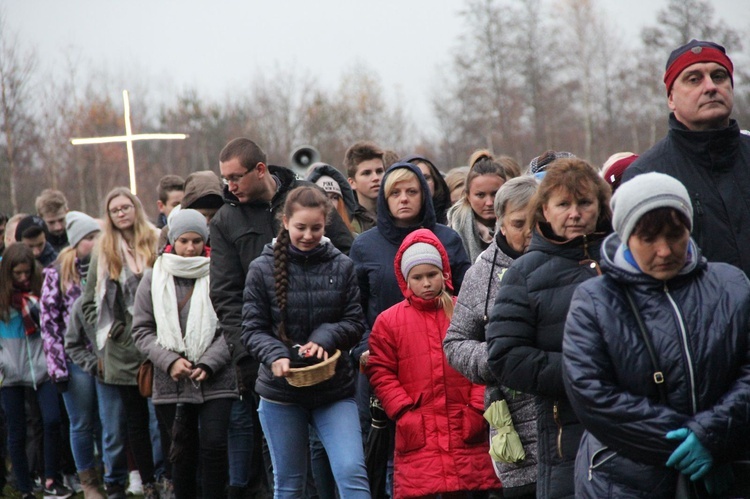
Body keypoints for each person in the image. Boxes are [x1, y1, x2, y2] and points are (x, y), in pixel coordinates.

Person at [563, 172, 750, 498]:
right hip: (624, 481)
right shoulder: (595, 301)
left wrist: (713, 435)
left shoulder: (730, 285)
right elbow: (591, 392)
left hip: (726, 471)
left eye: (674, 235)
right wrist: (681, 440)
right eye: (649, 239)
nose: (665, 251)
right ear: (625, 237)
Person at [210, 137, 353, 497]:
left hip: (327, 358)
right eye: (224, 178)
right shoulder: (227, 218)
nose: (229, 186)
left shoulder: (308, 198)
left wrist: (334, 336)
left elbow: (348, 261)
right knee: (286, 474)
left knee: (340, 463)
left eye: (235, 177)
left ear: (260, 170)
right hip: (267, 359)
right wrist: (247, 355)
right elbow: (226, 294)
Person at [486, 158, 612, 499]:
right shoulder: (524, 274)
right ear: (544, 210)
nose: (575, 214)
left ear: (600, 205)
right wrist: (582, 372)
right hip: (566, 434)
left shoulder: (627, 260)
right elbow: (505, 355)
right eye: (563, 204)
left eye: (585, 203)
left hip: (637, 424)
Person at [241, 186, 370, 498]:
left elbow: (354, 322)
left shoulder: (342, 265)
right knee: (289, 483)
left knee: (352, 471)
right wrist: (275, 355)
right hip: (281, 392)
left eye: (316, 227)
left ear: (326, 224)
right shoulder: (261, 269)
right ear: (285, 222)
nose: (309, 235)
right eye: (301, 227)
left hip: (333, 388)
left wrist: (325, 337)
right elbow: (251, 329)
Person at [366, 229, 499, 498]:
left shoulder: (463, 311)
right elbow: (381, 371)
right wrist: (403, 411)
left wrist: (476, 408)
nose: (426, 283)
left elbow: (482, 359)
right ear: (405, 280)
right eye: (417, 277)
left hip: (466, 424)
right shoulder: (389, 322)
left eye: (432, 275)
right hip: (419, 428)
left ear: (444, 274)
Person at [443, 176, 539, 498]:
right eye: (518, 222)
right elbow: (455, 342)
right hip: (513, 423)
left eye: (537, 221)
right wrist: (500, 357)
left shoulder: (566, 261)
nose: (529, 231)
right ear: (499, 222)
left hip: (568, 417)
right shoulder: (481, 274)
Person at [621, 40, 750, 277]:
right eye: (694, 79)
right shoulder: (647, 176)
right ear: (671, 98)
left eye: (719, 76)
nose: (710, 86)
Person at [133, 209, 238, 499]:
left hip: (216, 377)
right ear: (172, 241)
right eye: (183, 241)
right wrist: (170, 361)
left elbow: (231, 326)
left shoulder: (220, 273)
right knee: (181, 449)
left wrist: (209, 362)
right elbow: (142, 330)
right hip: (172, 379)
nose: (190, 248)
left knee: (215, 445)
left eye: (196, 241)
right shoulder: (152, 278)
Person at [81, 187, 160, 499]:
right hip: (122, 350)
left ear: (136, 208)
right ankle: (148, 482)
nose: (122, 213)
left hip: (157, 344)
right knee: (135, 423)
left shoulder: (155, 238)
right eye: (115, 210)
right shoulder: (103, 250)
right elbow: (88, 303)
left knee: (161, 421)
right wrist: (107, 334)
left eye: (126, 206)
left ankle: (166, 475)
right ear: (109, 216)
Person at [0, 243, 74, 499]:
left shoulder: (41, 295)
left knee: (52, 420)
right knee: (17, 431)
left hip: (42, 370)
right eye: (17, 274)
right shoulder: (3, 302)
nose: (22, 279)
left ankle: (52, 478)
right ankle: (24, 486)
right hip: (10, 374)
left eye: (26, 273)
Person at [40, 211, 103, 499]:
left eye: (97, 236)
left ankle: (109, 475)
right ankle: (88, 481)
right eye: (90, 238)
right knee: (81, 423)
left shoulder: (106, 267)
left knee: (107, 422)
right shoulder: (57, 272)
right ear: (77, 241)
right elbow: (49, 323)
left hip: (104, 356)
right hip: (73, 359)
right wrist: (57, 369)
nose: (96, 242)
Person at [447, 150, 508, 263]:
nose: (489, 202)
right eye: (480, 195)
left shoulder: (522, 225)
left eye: (495, 194)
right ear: (468, 196)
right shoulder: (453, 232)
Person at [344, 141, 386, 235]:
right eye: (367, 173)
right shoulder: (346, 220)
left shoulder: (398, 212)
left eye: (379, 171)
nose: (375, 178)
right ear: (352, 183)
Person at [306, 162, 359, 235]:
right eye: (324, 196)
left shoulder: (354, 239)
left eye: (334, 197)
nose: (330, 203)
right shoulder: (304, 239)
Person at [401, 154, 452, 225]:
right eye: (415, 178)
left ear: (435, 182)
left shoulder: (451, 222)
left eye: (426, 178)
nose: (422, 183)